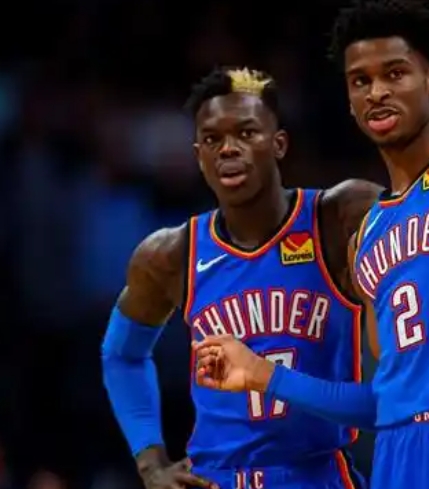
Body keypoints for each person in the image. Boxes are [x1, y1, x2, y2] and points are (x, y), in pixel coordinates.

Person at [192, 1, 429, 487]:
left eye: (395, 73)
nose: (377, 91)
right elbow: (384, 401)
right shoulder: (367, 234)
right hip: (398, 451)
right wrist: (264, 375)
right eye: (360, 81)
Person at [101, 67, 382, 489]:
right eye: (212, 139)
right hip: (215, 477)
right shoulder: (171, 253)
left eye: (246, 133)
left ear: (279, 143)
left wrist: (266, 376)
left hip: (316, 474)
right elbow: (121, 355)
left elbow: (394, 396)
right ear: (198, 156)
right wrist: (151, 463)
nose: (228, 149)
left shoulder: (338, 218)